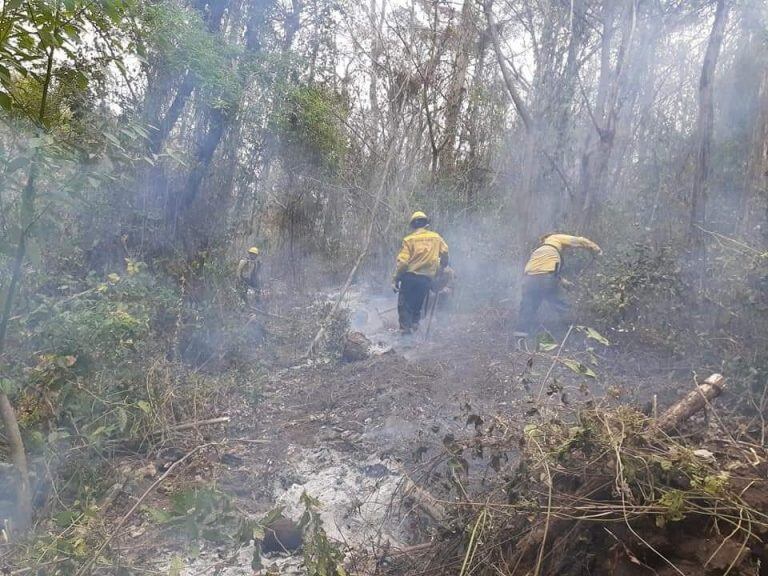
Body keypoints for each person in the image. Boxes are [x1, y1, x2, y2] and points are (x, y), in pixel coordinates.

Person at [514, 233, 602, 337]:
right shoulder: (555, 238)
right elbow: (579, 240)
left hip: (529, 280)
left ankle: (520, 340)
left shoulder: (539, 252)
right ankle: (573, 336)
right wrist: (596, 249)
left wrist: (564, 283)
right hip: (546, 279)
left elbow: (542, 271)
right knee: (563, 307)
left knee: (527, 311)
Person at [393, 211, 449, 334]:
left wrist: (395, 279)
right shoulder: (436, 237)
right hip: (426, 279)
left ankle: (406, 337)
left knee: (404, 307)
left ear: (413, 225)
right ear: (426, 224)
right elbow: (445, 252)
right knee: (417, 305)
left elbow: (403, 263)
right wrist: (443, 265)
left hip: (409, 278)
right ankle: (415, 327)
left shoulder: (409, 240)